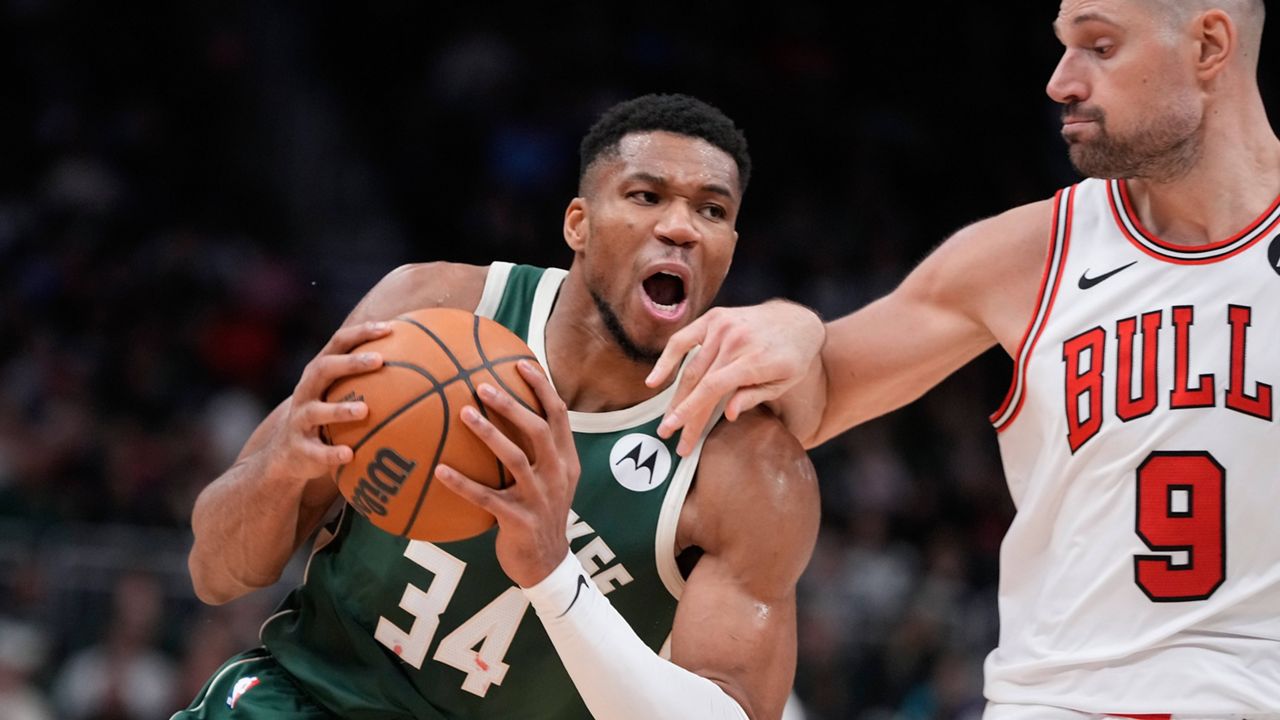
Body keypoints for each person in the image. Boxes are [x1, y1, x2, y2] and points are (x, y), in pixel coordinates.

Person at [648, 2, 1280, 718]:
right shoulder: (1031, 253)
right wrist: (793, 327)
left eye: (1099, 46)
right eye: (1063, 47)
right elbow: (819, 394)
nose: (1060, 81)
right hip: (1057, 703)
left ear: (1208, 44)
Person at [174, 93, 819, 720]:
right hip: (306, 701)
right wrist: (281, 471)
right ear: (578, 224)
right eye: (646, 196)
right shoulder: (426, 312)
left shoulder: (750, 469)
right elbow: (214, 573)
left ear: (730, 247)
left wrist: (552, 574)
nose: (679, 227)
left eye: (711, 210)